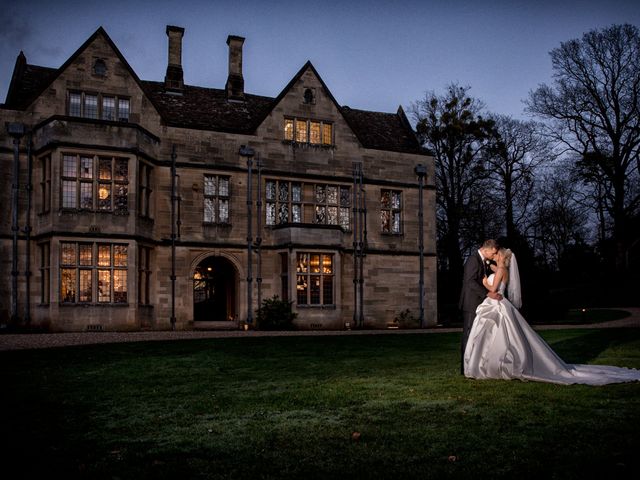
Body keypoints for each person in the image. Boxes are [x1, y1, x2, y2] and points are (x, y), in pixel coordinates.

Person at [463, 248, 640, 385]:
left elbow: (493, 290)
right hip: (500, 304)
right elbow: (495, 271)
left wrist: (485, 282)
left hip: (496, 302)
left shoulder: (500, 269)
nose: (495, 254)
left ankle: (494, 364)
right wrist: (488, 265)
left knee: (498, 334)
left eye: (497, 253)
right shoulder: (502, 269)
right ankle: (497, 362)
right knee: (504, 335)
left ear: (501, 257)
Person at [459, 239, 502, 375]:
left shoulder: (482, 261)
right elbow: (470, 282)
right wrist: (488, 293)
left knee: (474, 334)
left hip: (477, 302)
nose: (492, 256)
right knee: (468, 334)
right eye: (492, 253)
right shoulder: (473, 259)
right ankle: (464, 368)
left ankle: (472, 364)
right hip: (470, 303)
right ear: (486, 249)